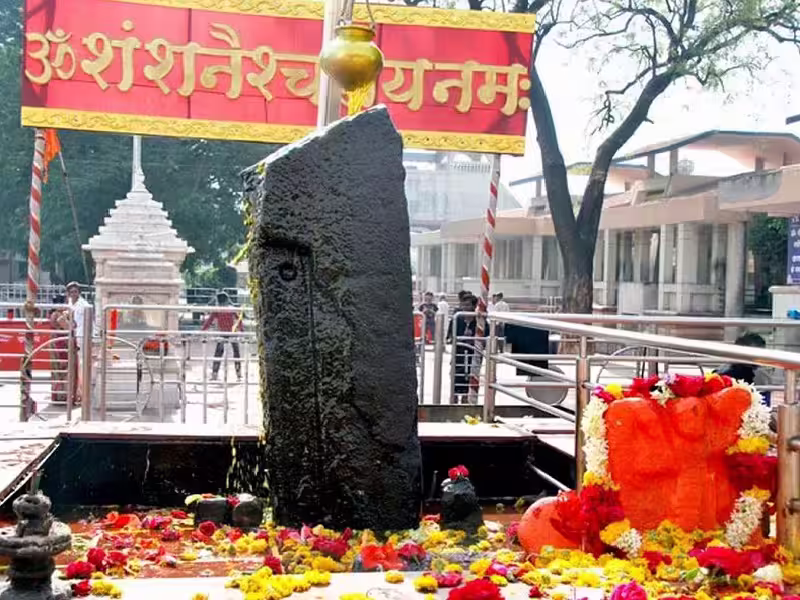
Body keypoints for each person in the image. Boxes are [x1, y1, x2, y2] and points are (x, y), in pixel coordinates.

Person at [202, 291, 243, 382]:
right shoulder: (230, 309)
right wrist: (242, 330)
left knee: (218, 353)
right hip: (232, 332)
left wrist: (203, 330)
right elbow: (239, 320)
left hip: (224, 333)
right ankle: (238, 373)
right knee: (236, 353)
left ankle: (215, 373)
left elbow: (209, 321)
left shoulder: (218, 310)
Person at [447, 294, 479, 404]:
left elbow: (485, 338)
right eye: (463, 305)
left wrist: (472, 340)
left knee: (468, 386)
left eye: (468, 305)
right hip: (458, 355)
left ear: (474, 306)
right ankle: (453, 405)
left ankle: (466, 405)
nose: (465, 307)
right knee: (455, 383)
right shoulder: (457, 319)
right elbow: (450, 336)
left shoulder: (479, 322)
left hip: (472, 357)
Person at [66, 282, 90, 403]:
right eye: (71, 292)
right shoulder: (70, 303)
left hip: (82, 337)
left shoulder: (84, 305)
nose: (73, 294)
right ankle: (76, 392)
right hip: (74, 337)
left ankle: (81, 393)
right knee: (75, 366)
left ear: (79, 292)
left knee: (81, 366)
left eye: (75, 292)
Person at [48, 294, 72, 403]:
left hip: (58, 343)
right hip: (60, 343)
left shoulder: (55, 314)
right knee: (62, 369)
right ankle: (62, 395)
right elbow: (68, 327)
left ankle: (60, 395)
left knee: (58, 370)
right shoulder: (58, 315)